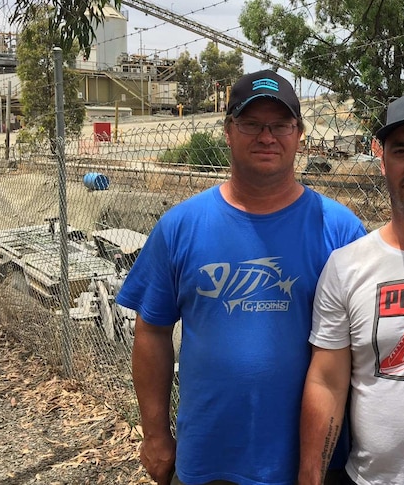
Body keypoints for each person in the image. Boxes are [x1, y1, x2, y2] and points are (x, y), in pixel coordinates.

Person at [116, 69, 367, 485]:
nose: (266, 136)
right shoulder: (181, 225)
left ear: (299, 134)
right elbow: (152, 331)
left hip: (313, 467)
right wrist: (156, 436)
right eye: (251, 123)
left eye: (281, 124)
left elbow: (361, 351)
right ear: (228, 131)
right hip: (208, 461)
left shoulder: (339, 230)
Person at [298, 89, 404, 484]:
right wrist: (311, 474)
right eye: (402, 150)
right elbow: (327, 380)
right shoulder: (347, 266)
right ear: (382, 159)